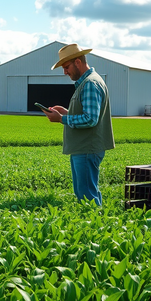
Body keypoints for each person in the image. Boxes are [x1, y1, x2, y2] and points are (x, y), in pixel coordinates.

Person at [42, 43, 115, 206]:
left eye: (66, 67)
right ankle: (97, 221)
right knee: (87, 192)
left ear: (77, 62)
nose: (65, 72)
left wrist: (61, 119)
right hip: (84, 148)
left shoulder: (90, 84)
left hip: (87, 148)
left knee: (86, 196)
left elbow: (90, 119)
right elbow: (88, 114)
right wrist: (65, 113)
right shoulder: (88, 82)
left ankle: (94, 226)